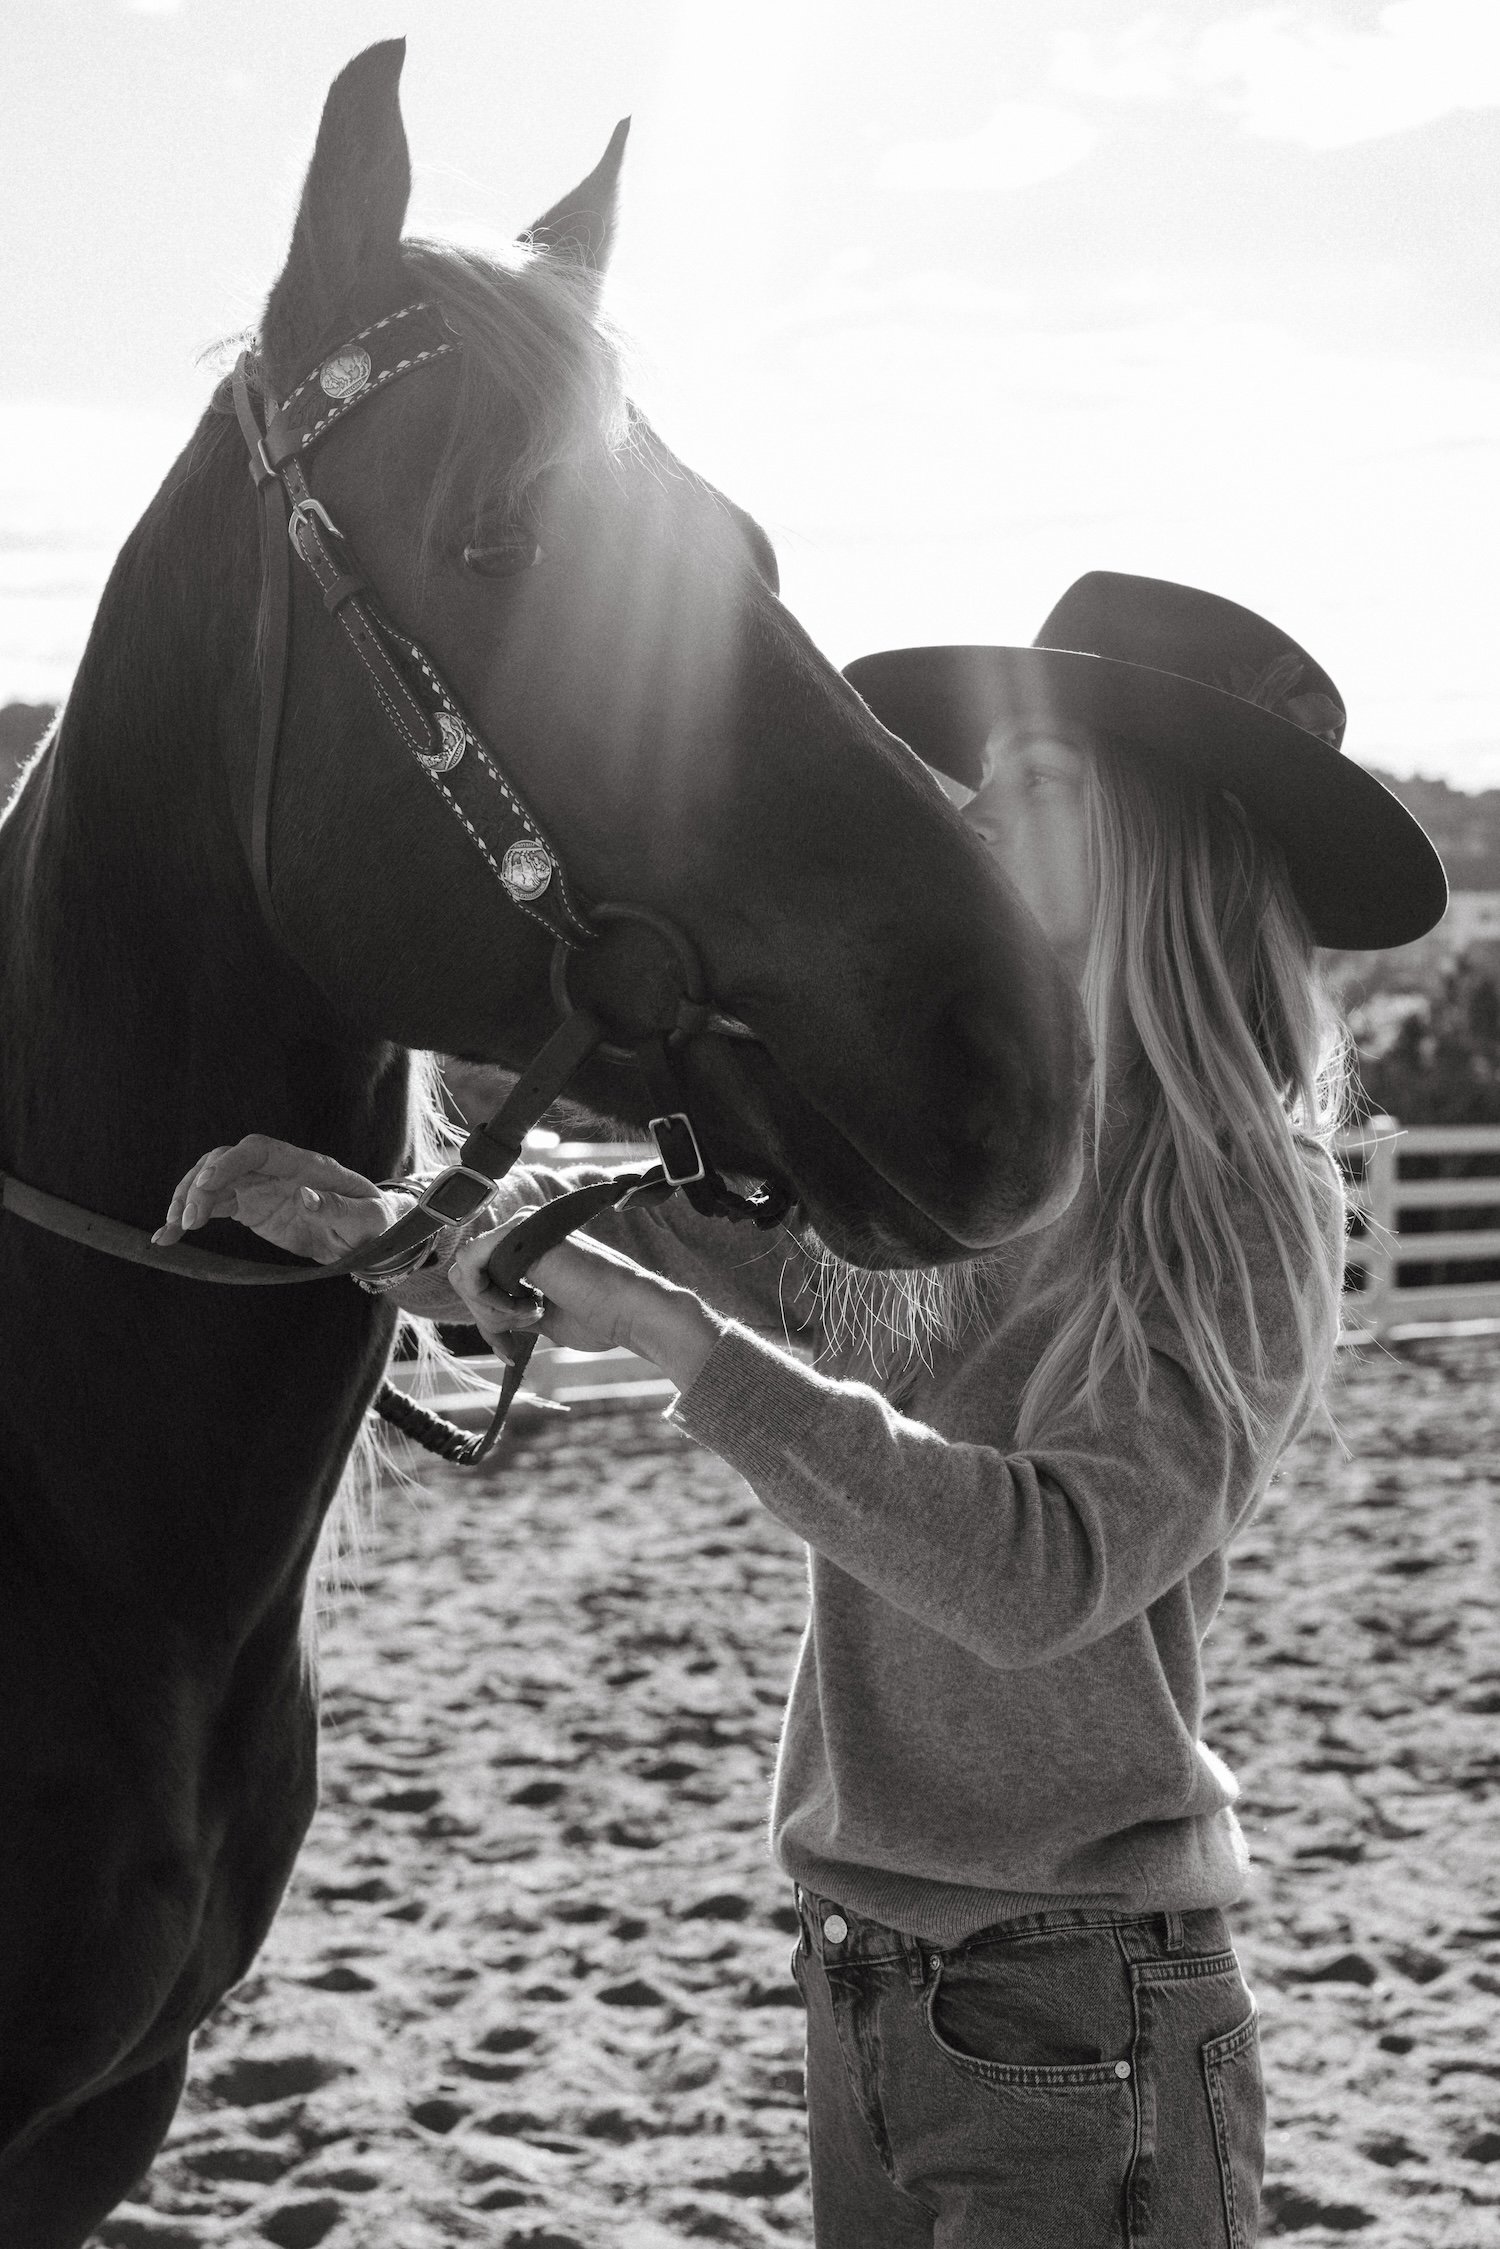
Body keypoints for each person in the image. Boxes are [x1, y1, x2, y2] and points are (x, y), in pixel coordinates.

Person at [159, 572, 1447, 2247]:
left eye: (1036, 787)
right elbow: (742, 1254)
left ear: (1162, 838)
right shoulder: (974, 1147)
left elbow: (1041, 1571)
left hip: (1083, 2007)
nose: (977, 819)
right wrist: (419, 1219)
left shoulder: (1238, 1190)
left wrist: (678, 1343)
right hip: (864, 1979)